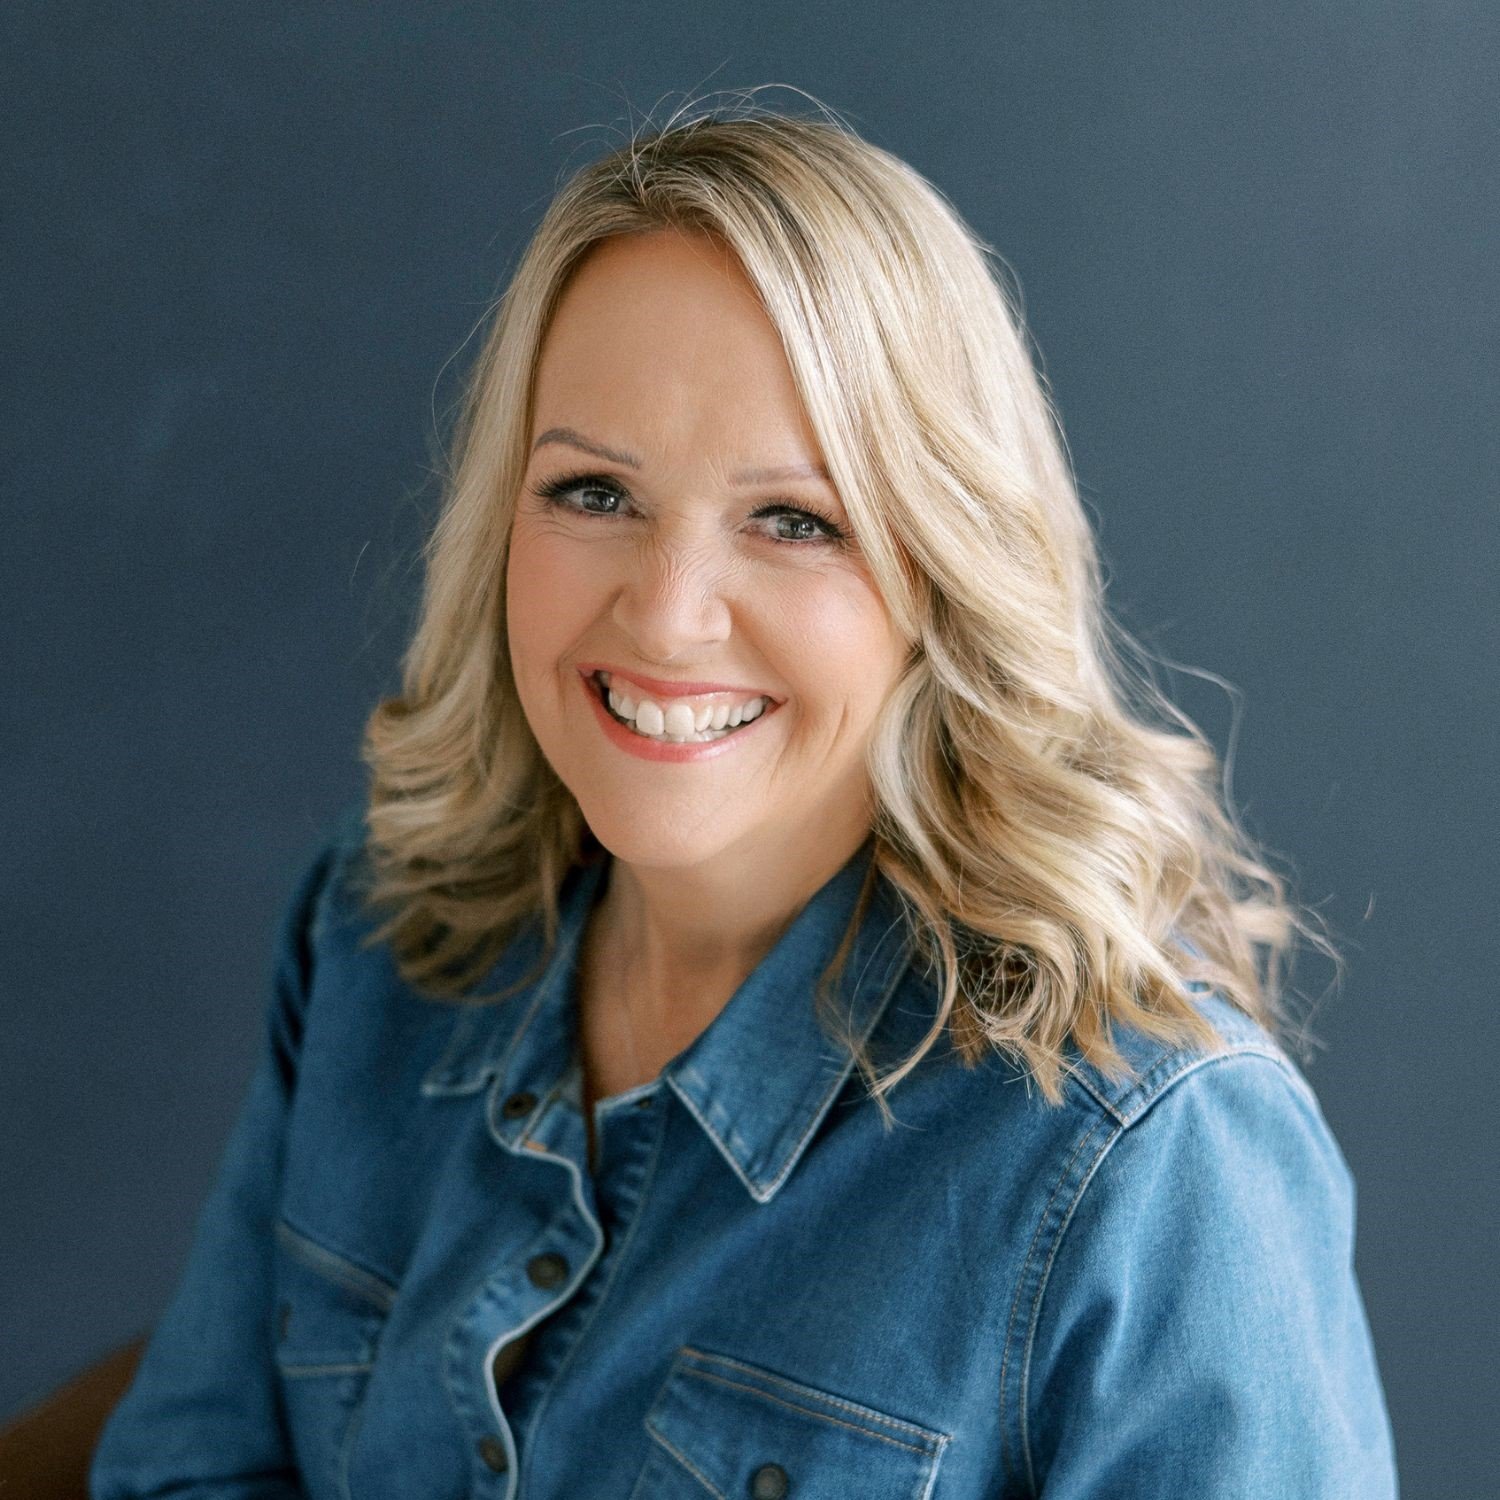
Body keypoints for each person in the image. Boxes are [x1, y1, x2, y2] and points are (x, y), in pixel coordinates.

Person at [90, 96, 1398, 1499]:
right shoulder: (373, 940)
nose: (665, 616)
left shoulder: (1147, 1159)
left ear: (942, 578)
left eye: (796, 521)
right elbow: (188, 1471)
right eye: (593, 491)